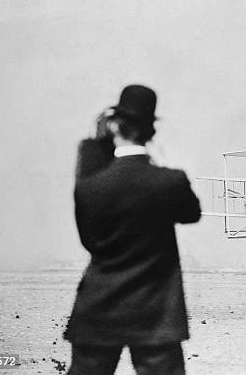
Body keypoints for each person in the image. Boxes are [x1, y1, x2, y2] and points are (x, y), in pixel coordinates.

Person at [64, 84, 201, 375]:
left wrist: (95, 147)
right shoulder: (170, 181)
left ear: (114, 126)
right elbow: (192, 214)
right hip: (156, 313)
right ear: (152, 131)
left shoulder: (90, 186)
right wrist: (155, 167)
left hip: (99, 307)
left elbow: (90, 241)